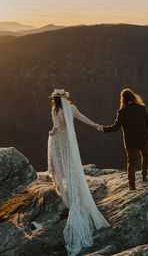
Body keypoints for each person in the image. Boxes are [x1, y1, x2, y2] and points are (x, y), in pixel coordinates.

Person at [47, 88, 110, 256]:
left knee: (56, 168)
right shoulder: (71, 109)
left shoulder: (55, 110)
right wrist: (95, 124)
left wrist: (50, 133)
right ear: (65, 97)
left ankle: (63, 191)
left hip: (59, 142)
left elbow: (56, 127)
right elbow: (82, 118)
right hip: (69, 143)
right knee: (72, 168)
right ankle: (76, 193)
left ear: (55, 99)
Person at [99, 88, 148, 190]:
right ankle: (144, 177)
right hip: (144, 138)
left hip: (131, 142)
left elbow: (116, 127)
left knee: (131, 162)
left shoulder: (122, 111)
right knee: (145, 156)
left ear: (122, 99)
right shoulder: (141, 108)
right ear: (133, 96)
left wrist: (104, 129)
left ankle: (132, 185)